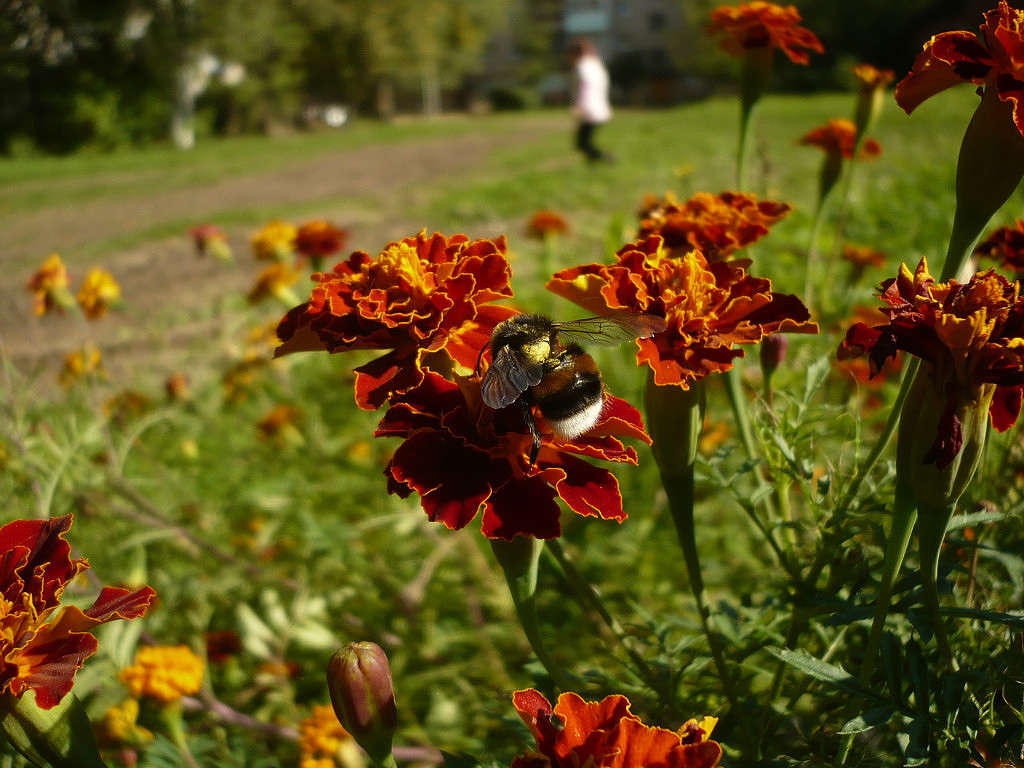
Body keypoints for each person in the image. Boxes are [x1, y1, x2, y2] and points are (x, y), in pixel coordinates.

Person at [570, 39, 613, 163]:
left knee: (582, 143)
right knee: (584, 142)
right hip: (600, 107)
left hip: (589, 109)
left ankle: (606, 158)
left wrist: (579, 105)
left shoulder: (582, 66)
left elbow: (585, 86)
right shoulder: (596, 65)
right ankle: (596, 162)